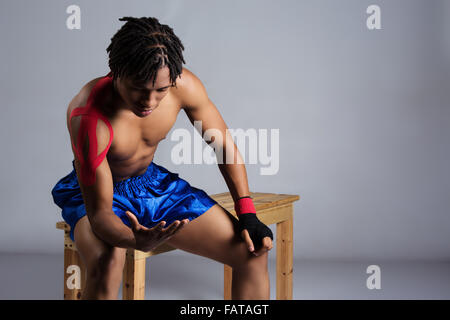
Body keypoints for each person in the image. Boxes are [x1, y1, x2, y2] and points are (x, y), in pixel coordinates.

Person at [51, 16, 273, 300]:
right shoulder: (89, 116)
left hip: (153, 185)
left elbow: (223, 147)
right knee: (107, 263)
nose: (150, 102)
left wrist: (248, 213)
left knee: (251, 252)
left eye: (160, 90)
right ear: (116, 71)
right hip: (93, 193)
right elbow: (101, 214)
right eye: (139, 89)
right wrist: (134, 239)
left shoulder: (184, 85)